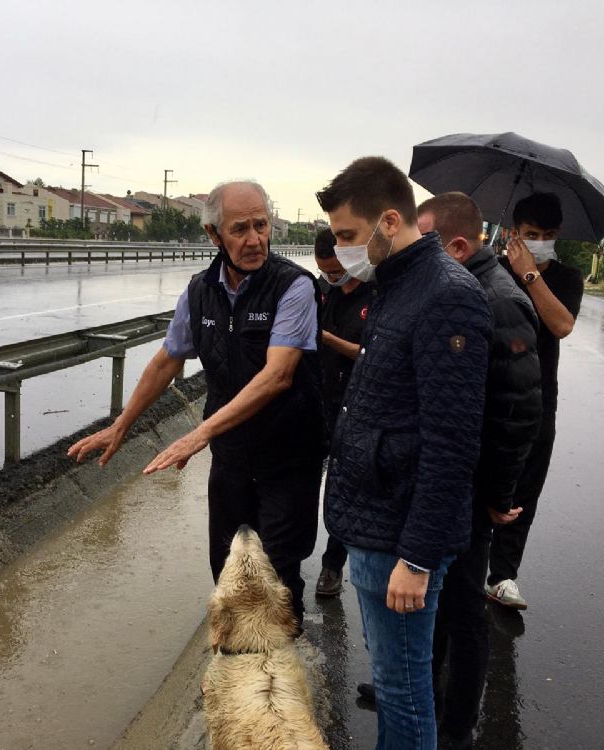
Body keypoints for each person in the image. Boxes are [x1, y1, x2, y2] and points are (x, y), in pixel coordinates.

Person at [67, 180, 325, 627]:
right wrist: (121, 425)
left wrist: (199, 433)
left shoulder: (293, 287)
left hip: (288, 459)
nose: (255, 239)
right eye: (240, 229)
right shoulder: (200, 290)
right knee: (227, 573)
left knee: (277, 579)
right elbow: (167, 360)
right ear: (214, 236)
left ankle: (278, 681)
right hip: (232, 460)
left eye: (261, 225)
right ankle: (235, 670)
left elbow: (277, 375)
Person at [316, 157, 492, 749]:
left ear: (389, 221)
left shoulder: (446, 295)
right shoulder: (397, 284)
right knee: (394, 684)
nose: (342, 250)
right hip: (375, 518)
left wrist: (416, 559)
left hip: (399, 536)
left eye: (347, 236)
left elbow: (453, 443)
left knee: (405, 687)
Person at [418, 192, 543, 749]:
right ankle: (425, 691)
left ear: (459, 247)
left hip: (474, 485)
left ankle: (457, 724)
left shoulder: (500, 300)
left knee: (465, 607)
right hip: (451, 477)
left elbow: (519, 411)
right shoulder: (460, 291)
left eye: (425, 247)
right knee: (438, 598)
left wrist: (497, 493)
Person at [486, 191, 584, 610]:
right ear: (513, 233)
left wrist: (531, 276)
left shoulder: (566, 278)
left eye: (546, 235)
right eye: (531, 234)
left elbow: (561, 325)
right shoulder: (491, 271)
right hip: (491, 395)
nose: (539, 241)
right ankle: (463, 561)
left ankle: (502, 575)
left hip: (539, 400)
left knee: (525, 489)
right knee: (481, 484)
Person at [312, 227, 376, 598]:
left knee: (344, 488)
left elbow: (372, 354)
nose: (333, 279)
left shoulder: (376, 292)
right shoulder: (319, 291)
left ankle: (332, 566)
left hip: (358, 405)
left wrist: (327, 339)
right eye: (326, 273)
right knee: (304, 479)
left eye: (338, 272)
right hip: (318, 399)